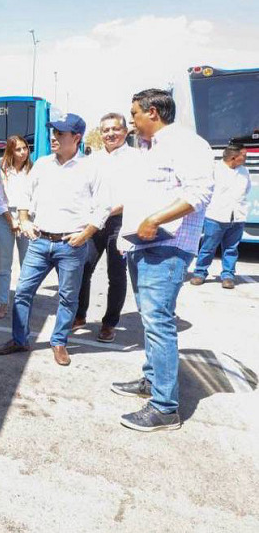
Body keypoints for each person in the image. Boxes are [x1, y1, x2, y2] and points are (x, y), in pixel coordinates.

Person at [112, 88, 214, 432]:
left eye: (135, 115)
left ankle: (164, 408)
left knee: (158, 323)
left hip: (167, 248)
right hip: (143, 246)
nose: (132, 122)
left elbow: (198, 193)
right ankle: (152, 382)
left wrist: (154, 220)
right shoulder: (150, 148)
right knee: (150, 321)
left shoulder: (186, 144)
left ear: (152, 112)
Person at [0, 113, 111, 366]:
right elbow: (25, 194)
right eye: (53, 133)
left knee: (68, 297)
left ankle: (59, 342)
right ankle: (20, 339)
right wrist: (23, 219)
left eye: (60, 133)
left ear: (76, 138)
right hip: (39, 242)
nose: (53, 137)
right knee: (23, 292)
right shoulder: (43, 165)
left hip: (71, 245)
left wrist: (86, 234)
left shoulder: (91, 168)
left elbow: (103, 207)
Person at [74, 113, 140, 343]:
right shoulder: (92, 159)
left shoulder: (136, 158)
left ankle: (109, 324)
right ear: (100, 133)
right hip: (94, 223)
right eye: (105, 130)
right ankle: (79, 316)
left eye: (115, 129)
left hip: (120, 222)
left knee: (116, 275)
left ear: (125, 131)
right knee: (83, 268)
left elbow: (136, 195)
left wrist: (108, 212)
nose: (110, 134)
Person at [191, 143, 252, 289]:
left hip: (237, 217)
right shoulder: (214, 170)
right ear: (233, 157)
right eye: (244, 155)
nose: (246, 158)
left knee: (231, 249)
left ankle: (228, 276)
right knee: (208, 247)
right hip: (216, 216)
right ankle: (200, 273)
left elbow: (247, 190)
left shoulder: (245, 171)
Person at [0, 135, 32, 319]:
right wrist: (11, 221)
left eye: (25, 148)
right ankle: (3, 302)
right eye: (18, 149)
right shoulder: (3, 171)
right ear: (11, 151)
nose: (23, 152)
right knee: (4, 265)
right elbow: (0, 201)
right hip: (5, 218)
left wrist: (24, 221)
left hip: (27, 219)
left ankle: (23, 301)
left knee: (27, 265)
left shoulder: (32, 170)